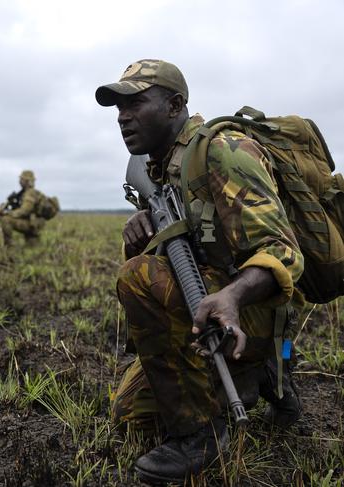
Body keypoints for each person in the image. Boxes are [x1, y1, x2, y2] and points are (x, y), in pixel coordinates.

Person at [95, 59, 304, 483]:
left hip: (246, 308)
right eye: (118, 108)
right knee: (129, 415)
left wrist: (232, 297)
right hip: (206, 306)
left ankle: (201, 435)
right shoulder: (161, 168)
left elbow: (283, 252)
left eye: (134, 103)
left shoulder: (223, 151)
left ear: (175, 105)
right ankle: (261, 374)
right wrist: (139, 237)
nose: (123, 117)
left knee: (137, 276)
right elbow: (183, 251)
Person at [0, 170, 46, 247]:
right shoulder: (25, 193)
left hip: (32, 224)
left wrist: (8, 213)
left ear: (27, 181)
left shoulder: (30, 194)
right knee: (32, 249)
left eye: (22, 179)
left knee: (6, 220)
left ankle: (9, 248)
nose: (20, 181)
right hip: (33, 223)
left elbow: (24, 211)